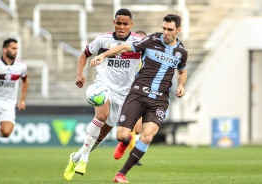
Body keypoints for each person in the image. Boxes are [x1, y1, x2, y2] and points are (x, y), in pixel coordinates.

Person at [90, 14, 187, 183]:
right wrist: (103, 56)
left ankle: (121, 174)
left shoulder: (181, 53)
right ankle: (125, 141)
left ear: (178, 30)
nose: (165, 32)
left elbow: (182, 71)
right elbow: (124, 47)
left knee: (147, 135)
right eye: (163, 28)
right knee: (122, 135)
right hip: (138, 94)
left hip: (159, 100)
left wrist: (181, 85)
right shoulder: (152, 40)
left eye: (169, 30)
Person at [63, 8, 143, 181]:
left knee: (101, 135)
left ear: (131, 25)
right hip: (103, 85)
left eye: (125, 24)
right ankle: (84, 159)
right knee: (101, 115)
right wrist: (79, 74)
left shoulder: (138, 42)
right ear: (113, 22)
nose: (122, 27)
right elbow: (84, 55)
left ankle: (75, 157)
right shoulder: (102, 39)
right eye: (119, 23)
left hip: (124, 94)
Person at [0, 38, 28, 138]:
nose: (16, 51)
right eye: (13, 48)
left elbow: (25, 80)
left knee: (6, 133)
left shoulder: (21, 66)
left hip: (9, 103)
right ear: (5, 49)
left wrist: (22, 99)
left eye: (17, 49)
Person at [128, 30, 147, 166]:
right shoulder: (131, 55)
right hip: (130, 93)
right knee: (133, 127)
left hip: (143, 92)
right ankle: (133, 155)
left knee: (139, 129)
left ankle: (127, 142)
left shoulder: (149, 56)